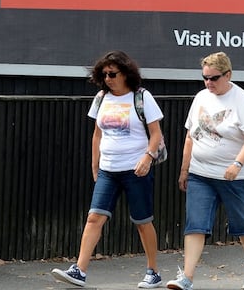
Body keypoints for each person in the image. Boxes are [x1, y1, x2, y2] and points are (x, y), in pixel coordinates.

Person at [51, 51, 166, 288]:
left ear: (125, 73)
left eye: (112, 74)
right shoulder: (102, 97)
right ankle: (79, 270)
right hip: (108, 169)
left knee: (142, 222)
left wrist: (147, 157)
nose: (108, 78)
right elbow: (97, 134)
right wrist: (95, 165)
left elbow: (156, 134)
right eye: (104, 74)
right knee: (94, 217)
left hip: (136, 169)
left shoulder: (142, 97)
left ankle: (153, 271)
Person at [166, 52, 244, 290]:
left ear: (228, 75)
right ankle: (187, 277)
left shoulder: (241, 100)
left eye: (214, 78)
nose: (209, 83)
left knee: (243, 225)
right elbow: (191, 135)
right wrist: (184, 169)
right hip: (201, 174)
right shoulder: (201, 97)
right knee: (195, 224)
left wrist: (236, 165)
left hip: (236, 177)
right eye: (205, 78)